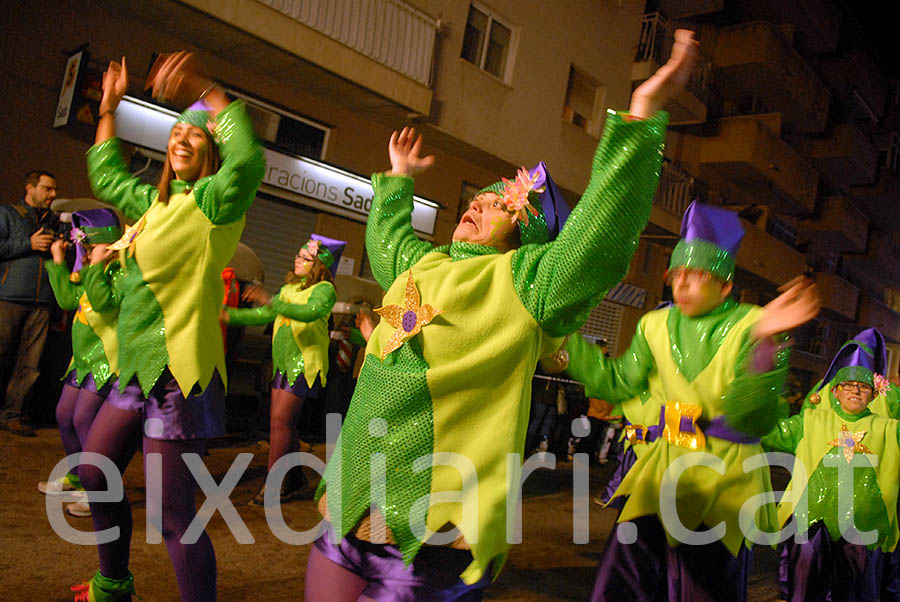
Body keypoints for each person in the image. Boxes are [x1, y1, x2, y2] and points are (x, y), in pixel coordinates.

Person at [307, 30, 700, 601]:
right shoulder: (425, 263)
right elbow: (388, 241)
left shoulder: (526, 283)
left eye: (498, 204)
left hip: (435, 525)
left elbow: (599, 240)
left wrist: (640, 118)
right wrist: (397, 182)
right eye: (479, 198)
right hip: (352, 496)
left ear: (527, 233)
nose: (477, 204)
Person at [70, 52, 264, 602]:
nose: (181, 138)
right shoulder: (155, 205)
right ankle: (114, 583)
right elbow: (107, 173)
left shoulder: (213, 203)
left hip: (179, 374)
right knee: (94, 470)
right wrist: (109, 110)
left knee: (172, 516)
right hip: (135, 367)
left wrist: (205, 88)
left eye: (196, 135)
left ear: (213, 149)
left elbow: (248, 161)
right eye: (175, 130)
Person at [566, 200, 820, 601]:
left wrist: (768, 344)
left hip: (724, 480)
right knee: (622, 584)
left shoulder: (753, 324)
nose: (681, 284)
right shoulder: (654, 323)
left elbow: (749, 418)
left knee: (702, 588)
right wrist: (564, 340)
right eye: (676, 274)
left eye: (697, 275)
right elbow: (618, 382)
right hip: (661, 473)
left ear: (725, 285)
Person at [762, 335, 900, 602]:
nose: (855, 391)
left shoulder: (889, 429)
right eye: (847, 385)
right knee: (803, 591)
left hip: (864, 525)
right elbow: (769, 431)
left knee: (856, 594)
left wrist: (893, 393)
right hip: (811, 521)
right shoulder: (811, 420)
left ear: (874, 394)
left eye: (863, 386)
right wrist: (773, 379)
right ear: (834, 391)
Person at [222, 234, 342, 504]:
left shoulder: (325, 290)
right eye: (298, 255)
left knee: (279, 422)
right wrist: (229, 315)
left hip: (304, 363)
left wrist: (270, 300)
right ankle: (295, 477)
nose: (297, 260)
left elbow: (310, 312)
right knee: (283, 423)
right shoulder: (289, 290)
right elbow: (264, 314)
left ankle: (274, 485)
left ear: (319, 265)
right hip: (283, 362)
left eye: (305, 258)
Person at [37, 209, 123, 519]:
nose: (82, 252)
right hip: (82, 359)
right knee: (64, 415)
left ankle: (99, 488)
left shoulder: (121, 272)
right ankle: (77, 477)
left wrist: (96, 267)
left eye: (85, 245)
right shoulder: (91, 269)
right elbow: (67, 299)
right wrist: (59, 261)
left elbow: (102, 304)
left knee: (85, 419)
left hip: (106, 360)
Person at [0, 169, 62, 436]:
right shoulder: (8, 214)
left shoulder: (56, 222)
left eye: (53, 189)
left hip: (42, 301)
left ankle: (12, 414)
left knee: (30, 364)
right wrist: (29, 243)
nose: (53, 194)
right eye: (47, 188)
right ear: (30, 188)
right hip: (9, 297)